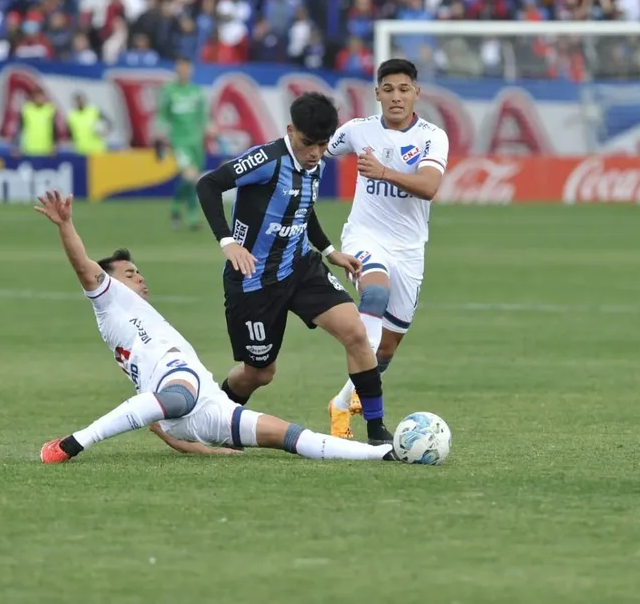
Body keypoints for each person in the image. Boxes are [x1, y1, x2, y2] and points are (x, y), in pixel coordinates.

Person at [33, 190, 397, 463]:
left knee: (288, 435)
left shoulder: (141, 319)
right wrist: (66, 225)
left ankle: (380, 456)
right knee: (181, 393)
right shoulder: (108, 300)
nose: (139, 277)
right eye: (130, 273)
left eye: (139, 271)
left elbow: (165, 430)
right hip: (176, 384)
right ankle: (75, 442)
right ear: (109, 280)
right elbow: (84, 266)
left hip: (208, 409)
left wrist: (206, 452)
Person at [195, 92, 394, 445]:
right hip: (253, 281)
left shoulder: (316, 164)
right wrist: (228, 242)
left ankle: (378, 433)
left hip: (301, 268)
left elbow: (304, 209)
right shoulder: (265, 160)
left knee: (356, 333)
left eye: (323, 144)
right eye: (307, 143)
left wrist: (330, 250)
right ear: (290, 130)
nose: (315, 152)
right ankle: (211, 423)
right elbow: (208, 184)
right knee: (259, 373)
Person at [323, 59, 450, 439]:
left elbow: (429, 187)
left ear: (416, 93)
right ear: (377, 93)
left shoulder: (432, 136)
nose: (396, 97)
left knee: (388, 350)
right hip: (364, 237)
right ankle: (374, 423)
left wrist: (383, 172)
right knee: (374, 292)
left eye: (404, 89)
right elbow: (316, 151)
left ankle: (343, 401)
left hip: (409, 248)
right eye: (388, 89)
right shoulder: (357, 131)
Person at [157, 57, 212, 230]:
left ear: (190, 70)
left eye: (186, 68)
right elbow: (162, 115)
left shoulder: (196, 91)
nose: (183, 71)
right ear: (176, 70)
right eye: (180, 68)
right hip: (179, 141)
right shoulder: (169, 91)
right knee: (190, 176)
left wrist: (210, 127)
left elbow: (203, 116)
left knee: (193, 178)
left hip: (196, 141)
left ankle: (175, 206)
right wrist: (159, 131)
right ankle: (193, 216)